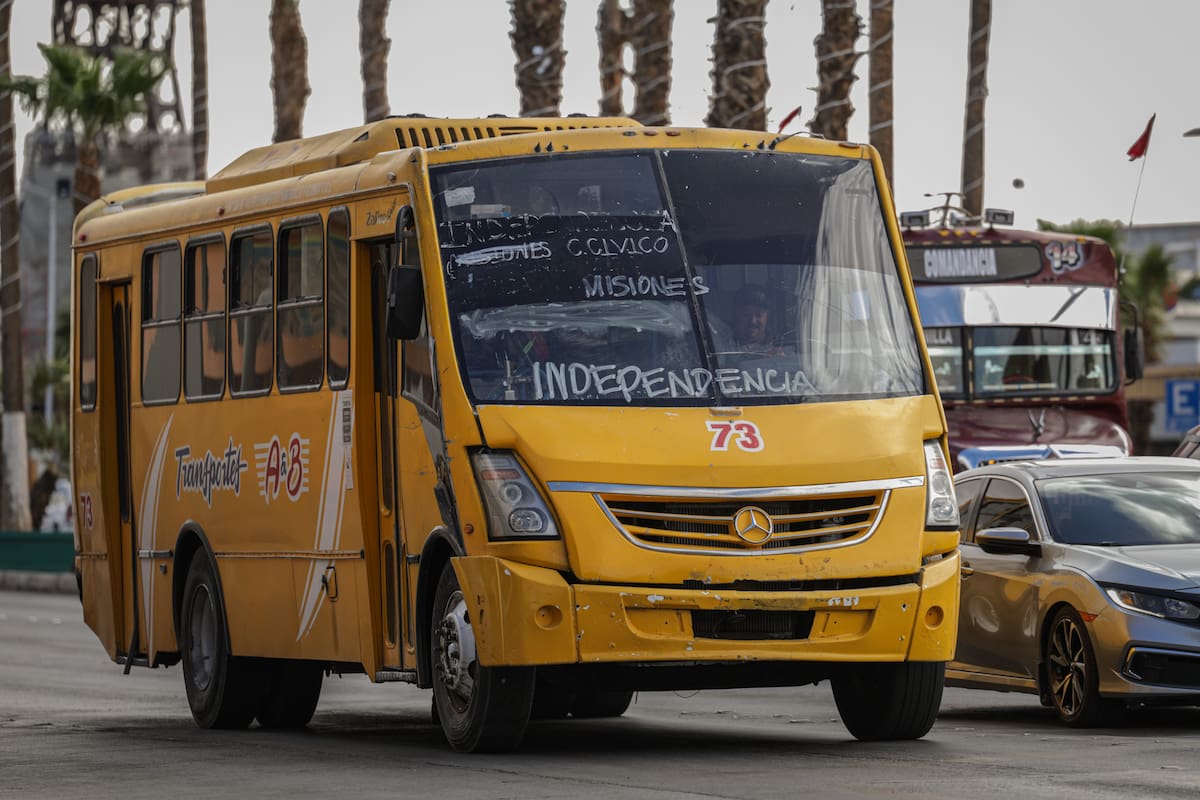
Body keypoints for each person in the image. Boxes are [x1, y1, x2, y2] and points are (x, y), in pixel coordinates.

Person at [729, 284, 773, 352]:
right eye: (746, 314)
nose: (753, 321)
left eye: (759, 315)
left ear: (767, 317)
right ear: (736, 316)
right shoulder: (723, 346)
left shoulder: (780, 345)